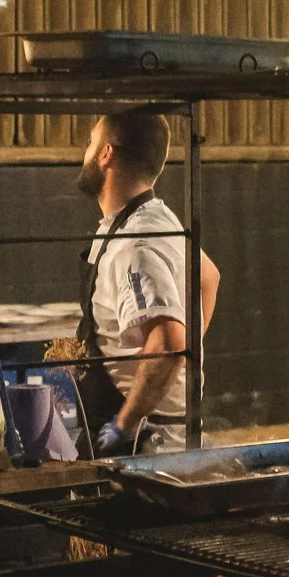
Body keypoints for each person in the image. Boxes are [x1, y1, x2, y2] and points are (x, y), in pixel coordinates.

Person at [75, 107, 220, 456]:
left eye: (91, 142)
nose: (86, 152)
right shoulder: (157, 218)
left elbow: (168, 345)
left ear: (106, 153)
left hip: (146, 446)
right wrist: (188, 351)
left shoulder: (135, 244)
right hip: (155, 436)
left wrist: (124, 423)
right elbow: (209, 277)